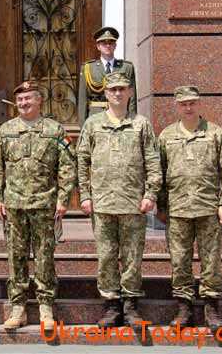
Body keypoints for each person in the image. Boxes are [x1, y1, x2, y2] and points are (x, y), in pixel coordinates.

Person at [76, 72, 161, 328]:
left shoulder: (141, 124)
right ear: (105, 94)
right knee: (106, 256)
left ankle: (131, 306)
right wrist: (85, 195)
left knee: (133, 256)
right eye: (112, 89)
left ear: (130, 93)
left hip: (133, 203)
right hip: (102, 203)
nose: (117, 93)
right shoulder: (93, 124)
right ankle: (112, 306)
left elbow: (153, 162)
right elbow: (82, 160)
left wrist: (151, 194)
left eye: (122, 89)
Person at [0, 80, 76, 330]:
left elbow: (67, 167)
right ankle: (18, 307)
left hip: (44, 204)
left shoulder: (55, 130)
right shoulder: (5, 131)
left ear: (40, 100)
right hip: (14, 206)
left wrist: (63, 199)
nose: (24, 103)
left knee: (44, 256)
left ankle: (45, 306)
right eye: (20, 100)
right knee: (16, 257)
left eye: (28, 98)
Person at [157, 85, 222, 330]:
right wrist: (160, 206)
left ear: (199, 103)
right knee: (180, 262)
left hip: (208, 210)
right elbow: (158, 173)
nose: (188, 107)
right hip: (177, 210)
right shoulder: (166, 136)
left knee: (211, 261)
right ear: (177, 106)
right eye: (183, 104)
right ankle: (184, 310)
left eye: (192, 102)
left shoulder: (215, 133)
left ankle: (212, 310)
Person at [77, 26, 137, 125]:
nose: (108, 46)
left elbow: (132, 97)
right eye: (104, 43)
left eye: (111, 43)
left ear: (115, 46)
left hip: (121, 116)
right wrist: (83, 124)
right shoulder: (88, 68)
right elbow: (83, 98)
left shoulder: (126, 67)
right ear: (98, 46)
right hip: (96, 116)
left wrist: (132, 120)